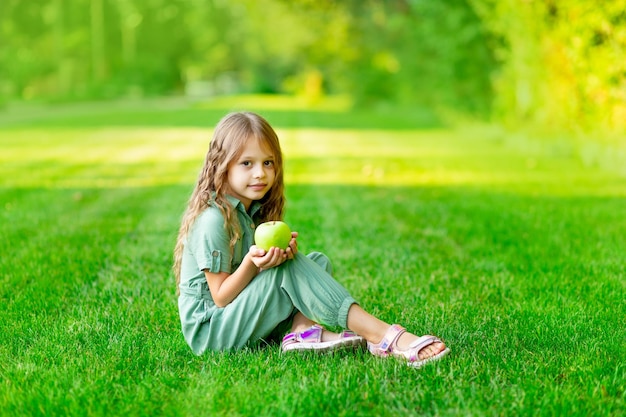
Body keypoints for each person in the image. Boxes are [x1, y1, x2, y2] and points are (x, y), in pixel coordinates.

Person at [173, 111, 449, 368]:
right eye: (247, 163)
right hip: (212, 335)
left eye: (268, 162)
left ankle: (301, 332)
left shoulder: (248, 211)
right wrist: (253, 264)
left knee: (316, 260)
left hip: (236, 317)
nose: (260, 173)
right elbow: (220, 297)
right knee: (290, 270)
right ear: (221, 165)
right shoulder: (213, 220)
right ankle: (384, 336)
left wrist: (276, 259)